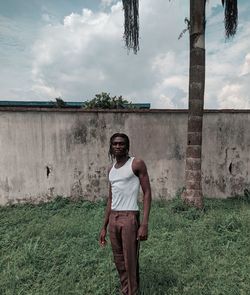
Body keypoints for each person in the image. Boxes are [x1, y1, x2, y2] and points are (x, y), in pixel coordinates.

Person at [99, 133, 152, 295]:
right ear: (111, 146)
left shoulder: (136, 164)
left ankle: (133, 292)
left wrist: (144, 224)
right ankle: (125, 290)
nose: (118, 146)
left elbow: (147, 193)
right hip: (114, 217)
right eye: (114, 144)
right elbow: (111, 198)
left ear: (127, 146)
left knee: (130, 260)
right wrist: (104, 226)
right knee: (119, 259)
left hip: (130, 217)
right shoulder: (111, 169)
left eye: (121, 143)